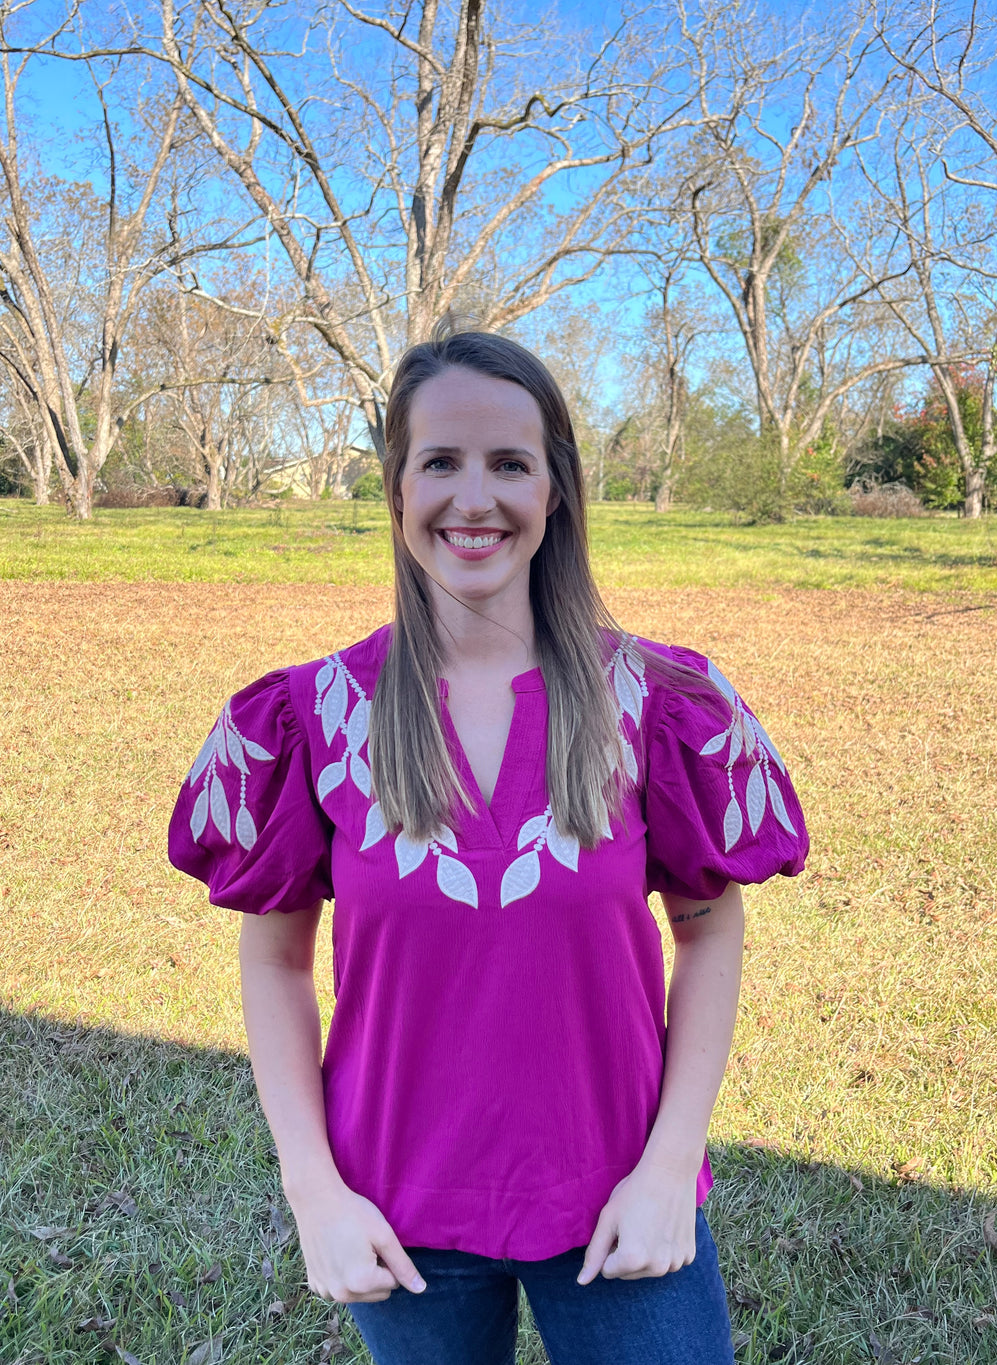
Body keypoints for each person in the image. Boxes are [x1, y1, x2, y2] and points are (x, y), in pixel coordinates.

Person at [168, 319, 809, 1365]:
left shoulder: (660, 704)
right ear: (396, 490)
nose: (475, 499)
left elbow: (707, 931)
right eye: (441, 464)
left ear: (554, 490)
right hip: (396, 1207)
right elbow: (277, 963)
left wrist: (667, 1171)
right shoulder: (307, 717)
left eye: (509, 463)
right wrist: (313, 1193)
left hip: (619, 1197)